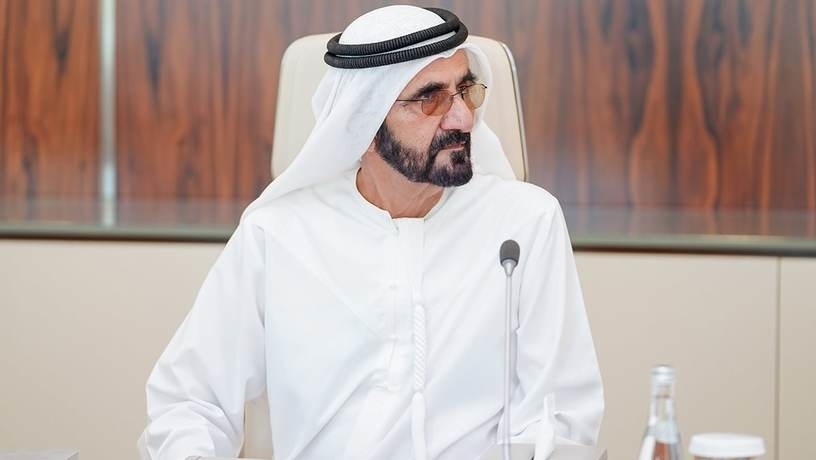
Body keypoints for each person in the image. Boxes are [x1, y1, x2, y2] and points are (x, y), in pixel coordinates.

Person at [142, 5, 603, 460]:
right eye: (430, 99)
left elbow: (558, 416)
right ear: (362, 125)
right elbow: (189, 403)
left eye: (465, 90)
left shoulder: (524, 225)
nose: (462, 118)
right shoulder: (278, 234)